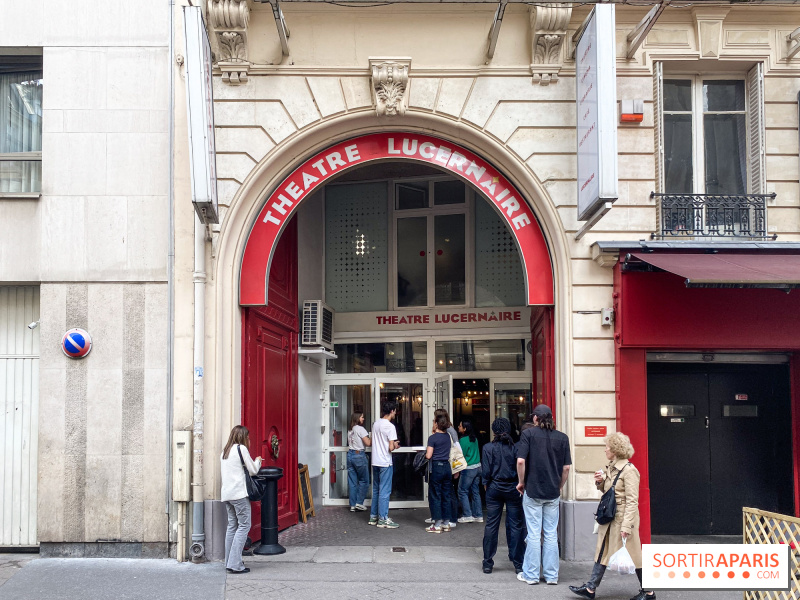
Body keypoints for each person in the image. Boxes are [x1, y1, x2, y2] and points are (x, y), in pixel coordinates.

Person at [569, 433, 654, 600]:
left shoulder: (629, 470)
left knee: (634, 555)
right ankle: (591, 588)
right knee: (602, 551)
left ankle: (649, 591)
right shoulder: (612, 468)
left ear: (615, 450)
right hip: (611, 517)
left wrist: (626, 526)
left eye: (607, 446)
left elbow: (632, 500)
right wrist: (600, 482)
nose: (605, 449)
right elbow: (608, 492)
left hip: (623, 518)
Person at [516, 403, 571, 586]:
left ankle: (531, 575)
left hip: (532, 490)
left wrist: (521, 482)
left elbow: (521, 461)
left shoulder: (528, 434)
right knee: (550, 534)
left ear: (535, 419)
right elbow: (566, 468)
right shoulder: (562, 438)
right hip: (552, 492)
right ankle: (551, 575)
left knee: (533, 534)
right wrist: (559, 486)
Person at [481, 418, 526, 574]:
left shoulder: (488, 448)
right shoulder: (517, 447)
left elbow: (485, 471)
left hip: (494, 487)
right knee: (516, 526)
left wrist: (486, 484)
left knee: (491, 525)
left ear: (494, 431)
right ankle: (518, 563)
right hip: (513, 488)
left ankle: (487, 562)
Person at [220, 425, 262, 574]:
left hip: (227, 495)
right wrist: (258, 460)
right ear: (243, 437)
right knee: (244, 526)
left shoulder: (225, 451)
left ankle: (228, 561)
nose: (249, 439)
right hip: (239, 494)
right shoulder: (241, 449)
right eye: (248, 437)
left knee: (232, 526)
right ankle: (236, 564)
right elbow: (253, 470)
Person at [368, 399, 400, 528]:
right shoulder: (390, 426)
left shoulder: (376, 424)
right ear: (392, 411)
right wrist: (396, 445)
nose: (395, 414)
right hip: (385, 462)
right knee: (385, 491)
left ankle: (373, 517)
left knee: (376, 489)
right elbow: (391, 448)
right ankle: (383, 518)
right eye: (395, 411)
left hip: (375, 461)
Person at [424, 414, 454, 533]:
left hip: (437, 467)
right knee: (446, 495)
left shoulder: (433, 438)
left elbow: (428, 455)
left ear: (436, 423)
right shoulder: (447, 436)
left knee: (435, 495)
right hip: (447, 467)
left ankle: (436, 524)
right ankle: (446, 523)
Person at [457, 420, 483, 523]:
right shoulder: (475, 438)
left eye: (460, 426)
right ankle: (478, 515)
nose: (458, 427)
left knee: (462, 491)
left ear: (465, 429)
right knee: (475, 491)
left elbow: (460, 455)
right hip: (478, 467)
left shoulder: (463, 440)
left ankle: (467, 514)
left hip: (468, 469)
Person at [347, 412, 371, 512]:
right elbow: (368, 443)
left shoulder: (350, 430)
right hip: (359, 455)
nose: (363, 418)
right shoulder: (360, 429)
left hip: (350, 455)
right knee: (364, 481)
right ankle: (359, 503)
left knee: (352, 482)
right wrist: (374, 436)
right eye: (362, 417)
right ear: (357, 418)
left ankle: (352, 505)